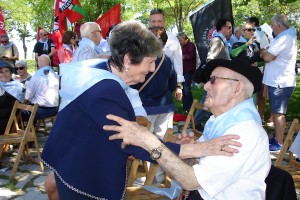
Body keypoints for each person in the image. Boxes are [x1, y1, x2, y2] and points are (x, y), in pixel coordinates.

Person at [41, 21, 241, 200]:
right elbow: (136, 144)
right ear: (128, 60)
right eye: (150, 61)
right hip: (83, 173)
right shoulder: (106, 89)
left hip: (75, 162)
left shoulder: (103, 69)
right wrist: (200, 148)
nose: (153, 69)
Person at [104, 58, 271, 199]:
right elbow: (197, 167)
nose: (206, 87)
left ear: (237, 88)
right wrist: (191, 152)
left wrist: (149, 141)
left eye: (213, 80)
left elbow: (191, 181)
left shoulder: (244, 132)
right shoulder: (221, 122)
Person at [260, 14, 297, 150]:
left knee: (278, 113)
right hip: (278, 80)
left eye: (272, 25)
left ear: (279, 26)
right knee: (277, 112)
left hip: (280, 82)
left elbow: (267, 57)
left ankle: (280, 143)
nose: (271, 28)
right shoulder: (284, 37)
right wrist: (266, 53)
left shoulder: (285, 38)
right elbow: (268, 55)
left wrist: (265, 53)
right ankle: (278, 139)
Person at [194, 18, 233, 131]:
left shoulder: (222, 41)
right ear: (223, 28)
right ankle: (196, 122)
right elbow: (210, 59)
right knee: (207, 99)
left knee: (211, 99)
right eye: (229, 27)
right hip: (217, 77)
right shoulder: (217, 40)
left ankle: (202, 121)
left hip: (220, 77)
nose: (231, 30)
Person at [149, 8, 184, 101]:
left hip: (165, 86)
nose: (156, 24)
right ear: (149, 22)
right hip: (144, 86)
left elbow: (178, 62)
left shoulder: (173, 40)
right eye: (153, 21)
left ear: (165, 22)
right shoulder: (141, 38)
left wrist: (179, 86)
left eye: (159, 21)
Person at [23, 55, 59, 124]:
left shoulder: (37, 75)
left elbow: (28, 95)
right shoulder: (55, 75)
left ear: (38, 63)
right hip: (54, 109)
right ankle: (31, 129)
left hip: (40, 111)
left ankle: (27, 131)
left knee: (17, 112)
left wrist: (23, 103)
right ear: (50, 63)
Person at [0, 61, 24, 134]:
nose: (3, 74)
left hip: (6, 125)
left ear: (11, 74)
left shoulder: (17, 88)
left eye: (6, 71)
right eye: (1, 72)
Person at [177, 32, 197, 111]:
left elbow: (190, 56)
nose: (179, 42)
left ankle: (190, 107)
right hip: (182, 70)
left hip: (189, 70)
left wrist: (180, 56)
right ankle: (185, 106)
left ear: (184, 39)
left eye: (180, 40)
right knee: (182, 89)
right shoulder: (180, 46)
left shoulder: (191, 45)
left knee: (186, 89)